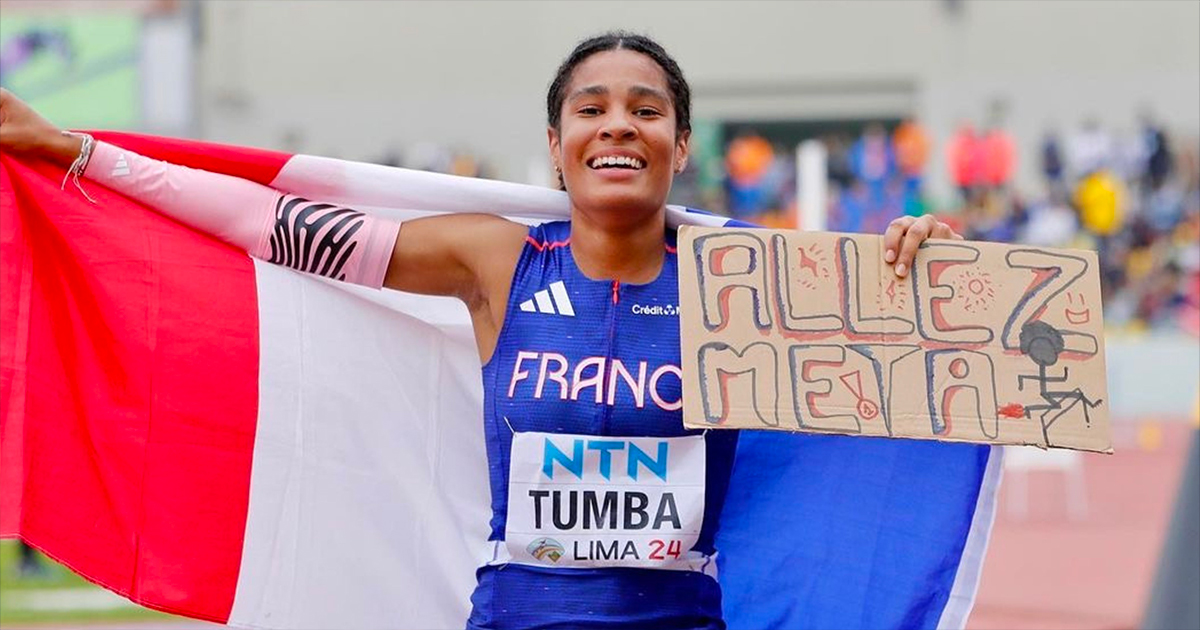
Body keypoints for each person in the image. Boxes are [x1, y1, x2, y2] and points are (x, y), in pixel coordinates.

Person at [0, 31, 960, 630]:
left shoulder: (741, 287)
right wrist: (79, 152)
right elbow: (272, 227)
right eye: (591, 108)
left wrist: (937, 265)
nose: (617, 125)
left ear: (680, 144)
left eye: (647, 109)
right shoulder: (499, 261)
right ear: (556, 145)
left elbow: (944, 355)